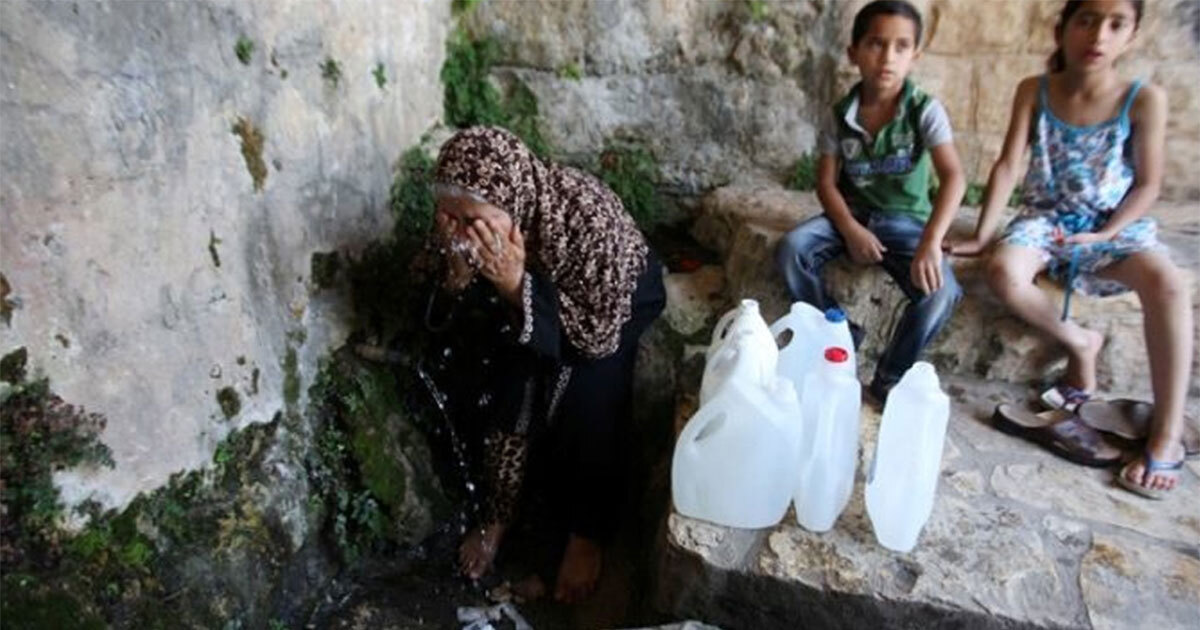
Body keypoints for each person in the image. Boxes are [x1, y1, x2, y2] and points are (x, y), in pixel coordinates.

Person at [946, 0, 1191, 498]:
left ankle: (1166, 432)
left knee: (1167, 283)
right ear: (1062, 28)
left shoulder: (1143, 100)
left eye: (1116, 24)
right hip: (1046, 221)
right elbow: (1009, 166)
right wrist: (981, 233)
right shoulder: (1034, 91)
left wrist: (1105, 234)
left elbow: (1147, 185)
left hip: (1110, 225)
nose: (1098, 34)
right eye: (1086, 20)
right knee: (1004, 271)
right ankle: (1080, 341)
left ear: (1132, 35)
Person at [420, 126, 665, 602]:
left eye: (474, 220)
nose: (461, 230)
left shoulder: (584, 216)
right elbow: (445, 316)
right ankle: (497, 515)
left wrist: (514, 284)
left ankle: (586, 534)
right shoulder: (464, 226)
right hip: (535, 297)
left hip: (616, 304)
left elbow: (595, 336)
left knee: (590, 391)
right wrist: (456, 274)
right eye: (448, 216)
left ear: (512, 201)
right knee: (510, 379)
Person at [776, 0, 966, 403]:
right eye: (876, 44)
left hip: (905, 223)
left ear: (915, 56)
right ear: (854, 53)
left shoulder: (923, 111)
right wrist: (849, 229)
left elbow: (954, 178)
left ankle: (889, 379)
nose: (887, 57)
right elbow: (826, 184)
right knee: (793, 248)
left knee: (942, 292)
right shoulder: (840, 114)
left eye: (901, 47)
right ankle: (840, 331)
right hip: (851, 215)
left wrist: (931, 241)